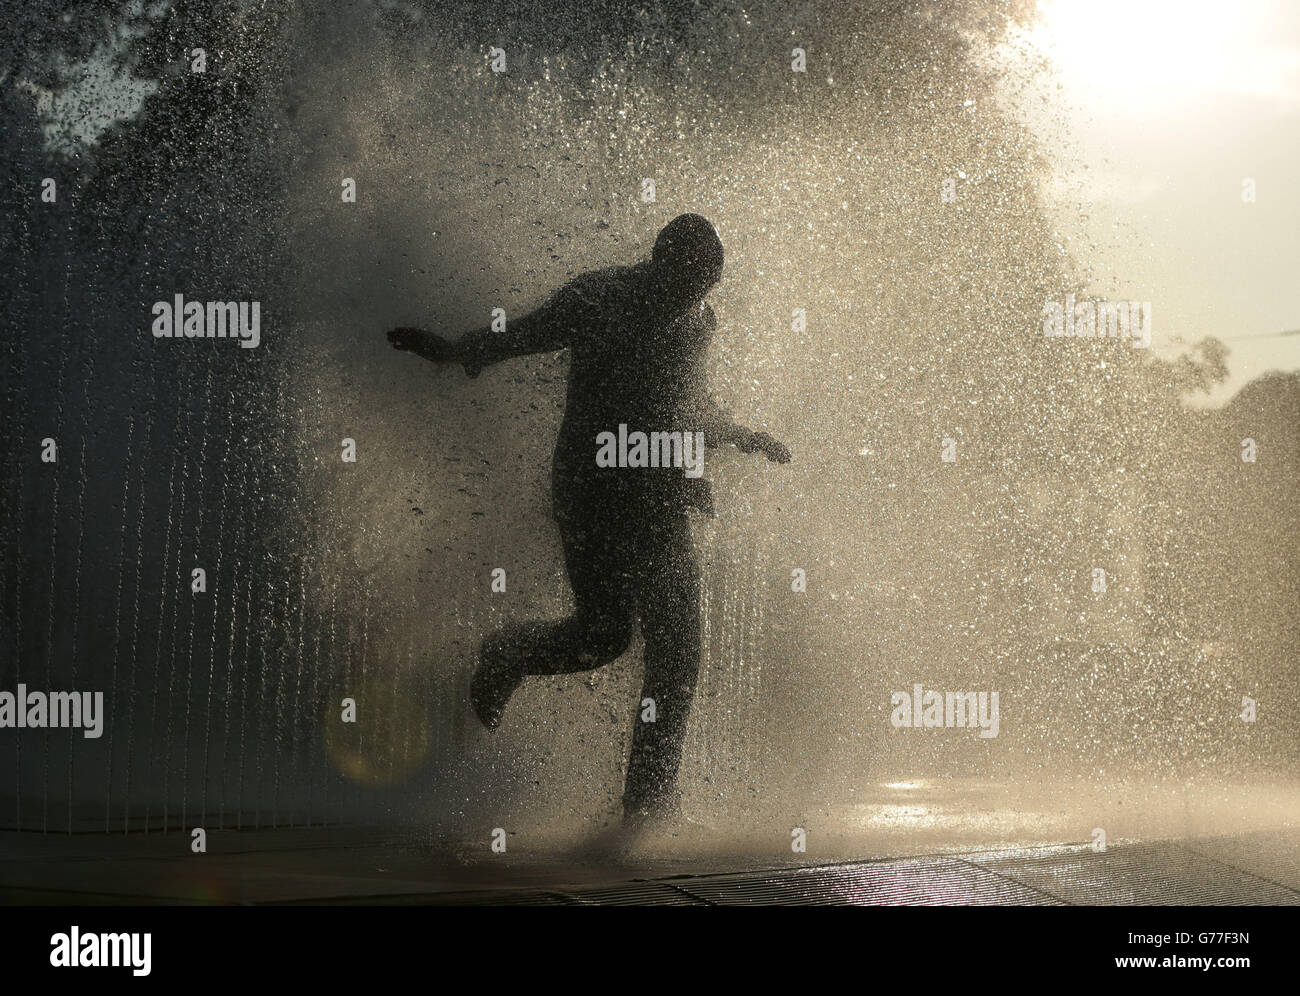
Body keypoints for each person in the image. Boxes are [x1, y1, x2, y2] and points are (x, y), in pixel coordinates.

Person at [387, 213, 791, 830]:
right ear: (658, 266)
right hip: (591, 489)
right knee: (602, 637)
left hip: (657, 495)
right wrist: (453, 351)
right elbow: (517, 337)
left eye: (702, 290)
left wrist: (737, 434)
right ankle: (507, 654)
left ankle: (647, 809)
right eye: (684, 286)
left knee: (679, 652)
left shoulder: (695, 318)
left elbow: (688, 398)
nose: (691, 302)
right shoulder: (597, 300)